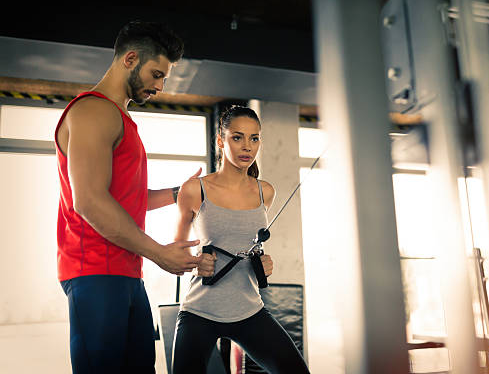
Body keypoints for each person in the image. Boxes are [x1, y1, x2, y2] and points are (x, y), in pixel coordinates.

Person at [54, 20, 203, 374]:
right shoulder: (93, 111)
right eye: (156, 74)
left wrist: (176, 194)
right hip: (95, 270)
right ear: (130, 59)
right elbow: (89, 201)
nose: (160, 86)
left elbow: (125, 199)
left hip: (124, 270)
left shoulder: (119, 117)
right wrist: (160, 254)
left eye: (164, 78)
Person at [172, 105, 310, 374]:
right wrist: (195, 262)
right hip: (200, 311)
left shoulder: (265, 192)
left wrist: (264, 263)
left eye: (254, 138)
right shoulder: (194, 189)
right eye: (237, 137)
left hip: (249, 311)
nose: (247, 146)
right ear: (221, 140)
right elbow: (176, 254)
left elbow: (252, 245)